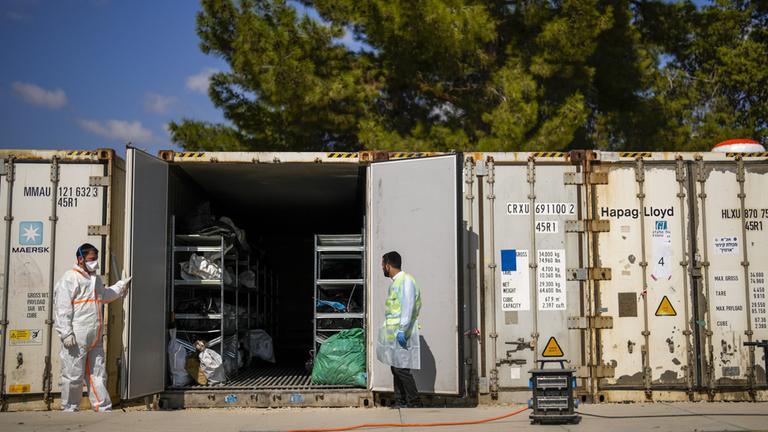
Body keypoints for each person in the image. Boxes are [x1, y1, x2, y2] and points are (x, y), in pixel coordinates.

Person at [53, 243, 132, 412]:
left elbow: (103, 296)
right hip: (76, 335)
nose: (95, 262)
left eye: (96, 259)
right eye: (91, 259)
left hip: (95, 335)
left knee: (98, 374)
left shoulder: (94, 279)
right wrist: (66, 332)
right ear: (80, 259)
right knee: (73, 375)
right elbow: (62, 308)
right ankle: (70, 409)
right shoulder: (70, 278)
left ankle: (103, 408)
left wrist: (120, 286)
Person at [376, 251, 422, 408]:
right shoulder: (395, 283)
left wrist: (402, 329)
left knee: (401, 369)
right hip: (394, 333)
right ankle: (401, 401)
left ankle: (414, 401)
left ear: (388, 265)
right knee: (395, 367)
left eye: (383, 265)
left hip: (403, 333)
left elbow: (408, 307)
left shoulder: (406, 281)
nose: (382, 267)